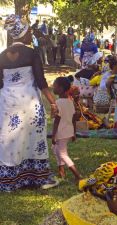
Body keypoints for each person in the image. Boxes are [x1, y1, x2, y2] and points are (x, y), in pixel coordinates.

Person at [0, 15, 58, 191]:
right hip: (29, 103)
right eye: (28, 32)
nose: (30, 35)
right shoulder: (32, 53)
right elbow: (41, 82)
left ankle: (8, 179)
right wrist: (53, 103)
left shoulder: (1, 55)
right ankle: (38, 178)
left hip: (7, 102)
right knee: (33, 139)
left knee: (8, 140)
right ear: (23, 35)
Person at [52, 77, 81, 182]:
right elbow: (73, 119)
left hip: (61, 132)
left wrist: (53, 135)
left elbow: (56, 121)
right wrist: (74, 133)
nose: (53, 88)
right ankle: (61, 172)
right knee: (55, 149)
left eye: (54, 86)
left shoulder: (58, 102)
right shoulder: (70, 101)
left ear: (60, 88)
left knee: (62, 154)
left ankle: (77, 175)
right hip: (68, 132)